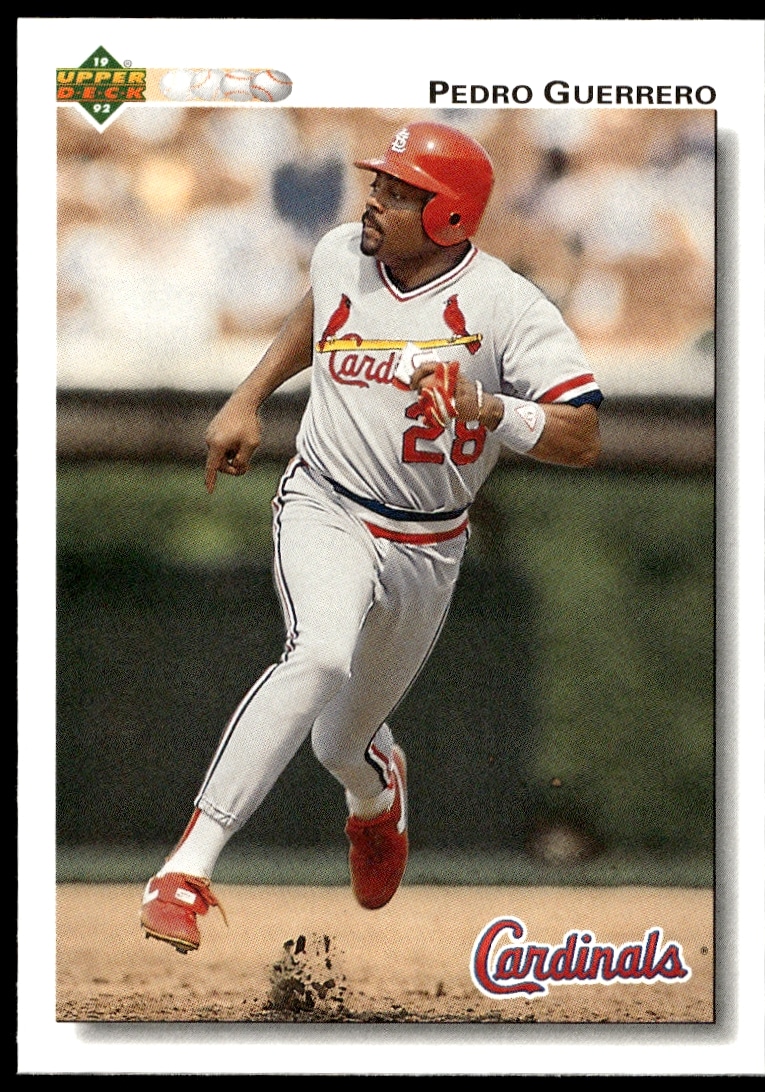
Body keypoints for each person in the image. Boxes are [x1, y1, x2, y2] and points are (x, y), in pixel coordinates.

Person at [140, 120, 603, 954]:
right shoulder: (339, 254)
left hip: (429, 542)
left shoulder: (504, 303)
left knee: (338, 742)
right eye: (378, 184)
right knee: (318, 654)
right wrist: (248, 395)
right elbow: (318, 311)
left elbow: (582, 435)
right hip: (326, 501)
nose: (373, 201)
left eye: (397, 192)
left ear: (449, 216)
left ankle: (376, 793)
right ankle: (186, 871)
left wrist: (488, 406)